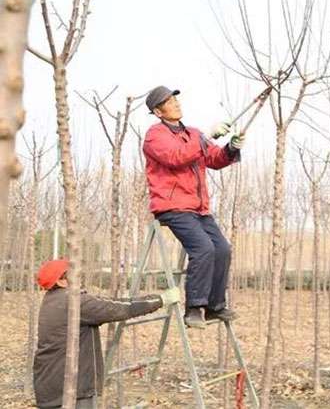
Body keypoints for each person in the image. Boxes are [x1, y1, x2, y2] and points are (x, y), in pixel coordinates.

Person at [142, 86, 243, 328]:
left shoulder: (192, 134)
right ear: (158, 111)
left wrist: (231, 148)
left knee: (223, 249)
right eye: (168, 101)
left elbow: (214, 159)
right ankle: (194, 308)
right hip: (173, 207)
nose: (176, 103)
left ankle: (214, 306)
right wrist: (206, 135)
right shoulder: (155, 135)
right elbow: (175, 157)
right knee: (203, 249)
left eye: (175, 99)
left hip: (198, 209)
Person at [33, 259, 180, 408]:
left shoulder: (52, 299)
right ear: (61, 281)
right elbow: (116, 308)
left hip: (50, 383)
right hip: (70, 388)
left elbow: (103, 304)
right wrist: (160, 300)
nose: (79, 276)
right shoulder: (73, 302)